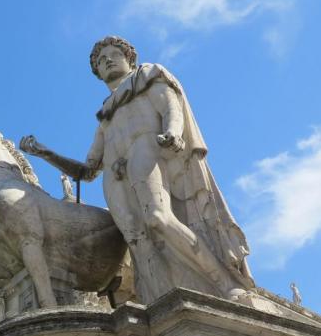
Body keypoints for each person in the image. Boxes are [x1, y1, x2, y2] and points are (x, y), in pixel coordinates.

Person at [20, 36, 254, 303]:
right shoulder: (105, 115)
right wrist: (46, 153)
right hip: (115, 176)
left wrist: (173, 131)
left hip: (146, 151)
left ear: (129, 58)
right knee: (136, 240)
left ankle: (223, 284)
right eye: (100, 60)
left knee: (157, 218)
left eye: (113, 54)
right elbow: (87, 171)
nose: (107, 61)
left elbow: (170, 106)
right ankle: (158, 301)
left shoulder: (146, 77)